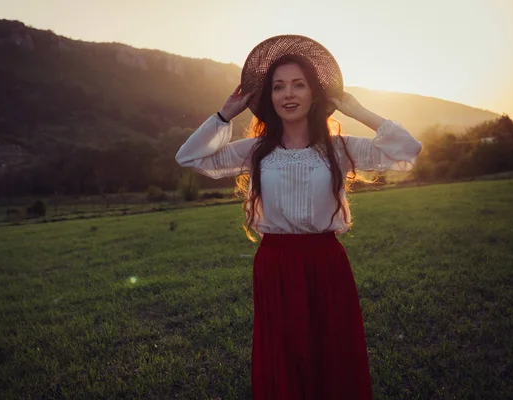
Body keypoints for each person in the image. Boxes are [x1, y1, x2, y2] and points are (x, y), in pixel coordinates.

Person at [175, 35, 422, 400]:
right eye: (278, 87)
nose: (287, 95)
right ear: (269, 98)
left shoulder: (338, 149)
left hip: (326, 263)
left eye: (298, 85)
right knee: (285, 359)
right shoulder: (257, 150)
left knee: (331, 354)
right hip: (275, 264)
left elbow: (407, 150)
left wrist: (355, 110)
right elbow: (190, 158)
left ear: (313, 94)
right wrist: (225, 114)